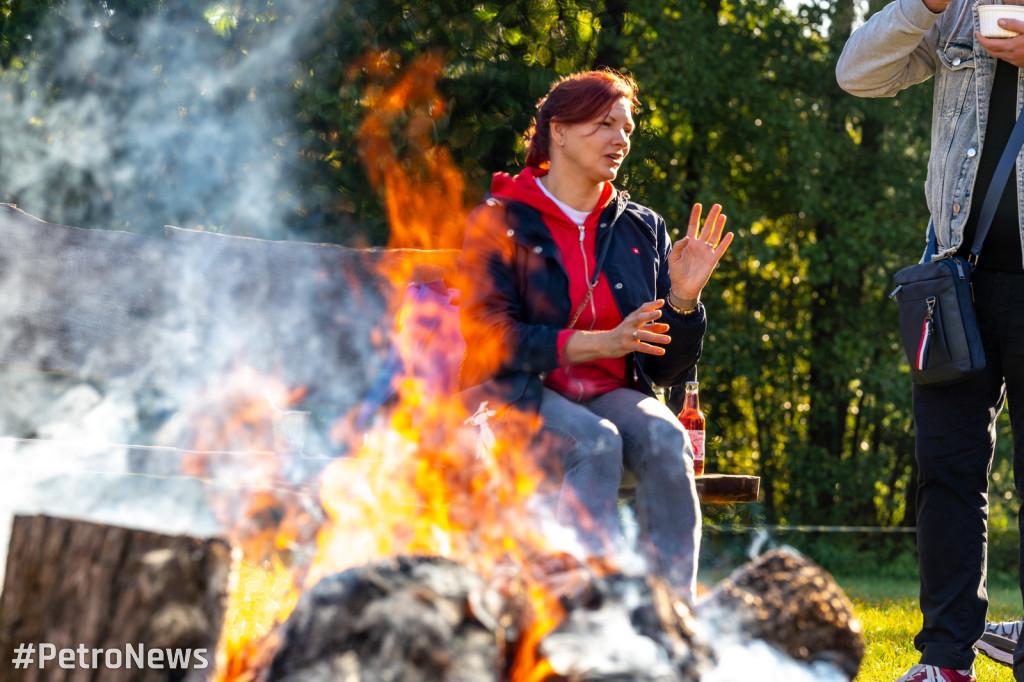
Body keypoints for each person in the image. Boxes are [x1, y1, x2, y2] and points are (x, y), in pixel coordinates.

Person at [456, 68, 734, 601]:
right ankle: (583, 613)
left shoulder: (641, 226)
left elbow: (661, 370)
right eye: (604, 124)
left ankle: (671, 621)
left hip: (611, 393)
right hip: (513, 395)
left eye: (627, 128)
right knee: (595, 442)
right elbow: (490, 337)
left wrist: (683, 301)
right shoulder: (501, 218)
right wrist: (596, 344)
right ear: (557, 130)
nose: (620, 139)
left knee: (667, 436)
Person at [837, 1, 1024, 681]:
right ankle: (945, 660)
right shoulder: (955, 14)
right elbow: (857, 73)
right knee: (944, 472)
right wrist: (925, 5)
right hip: (954, 281)